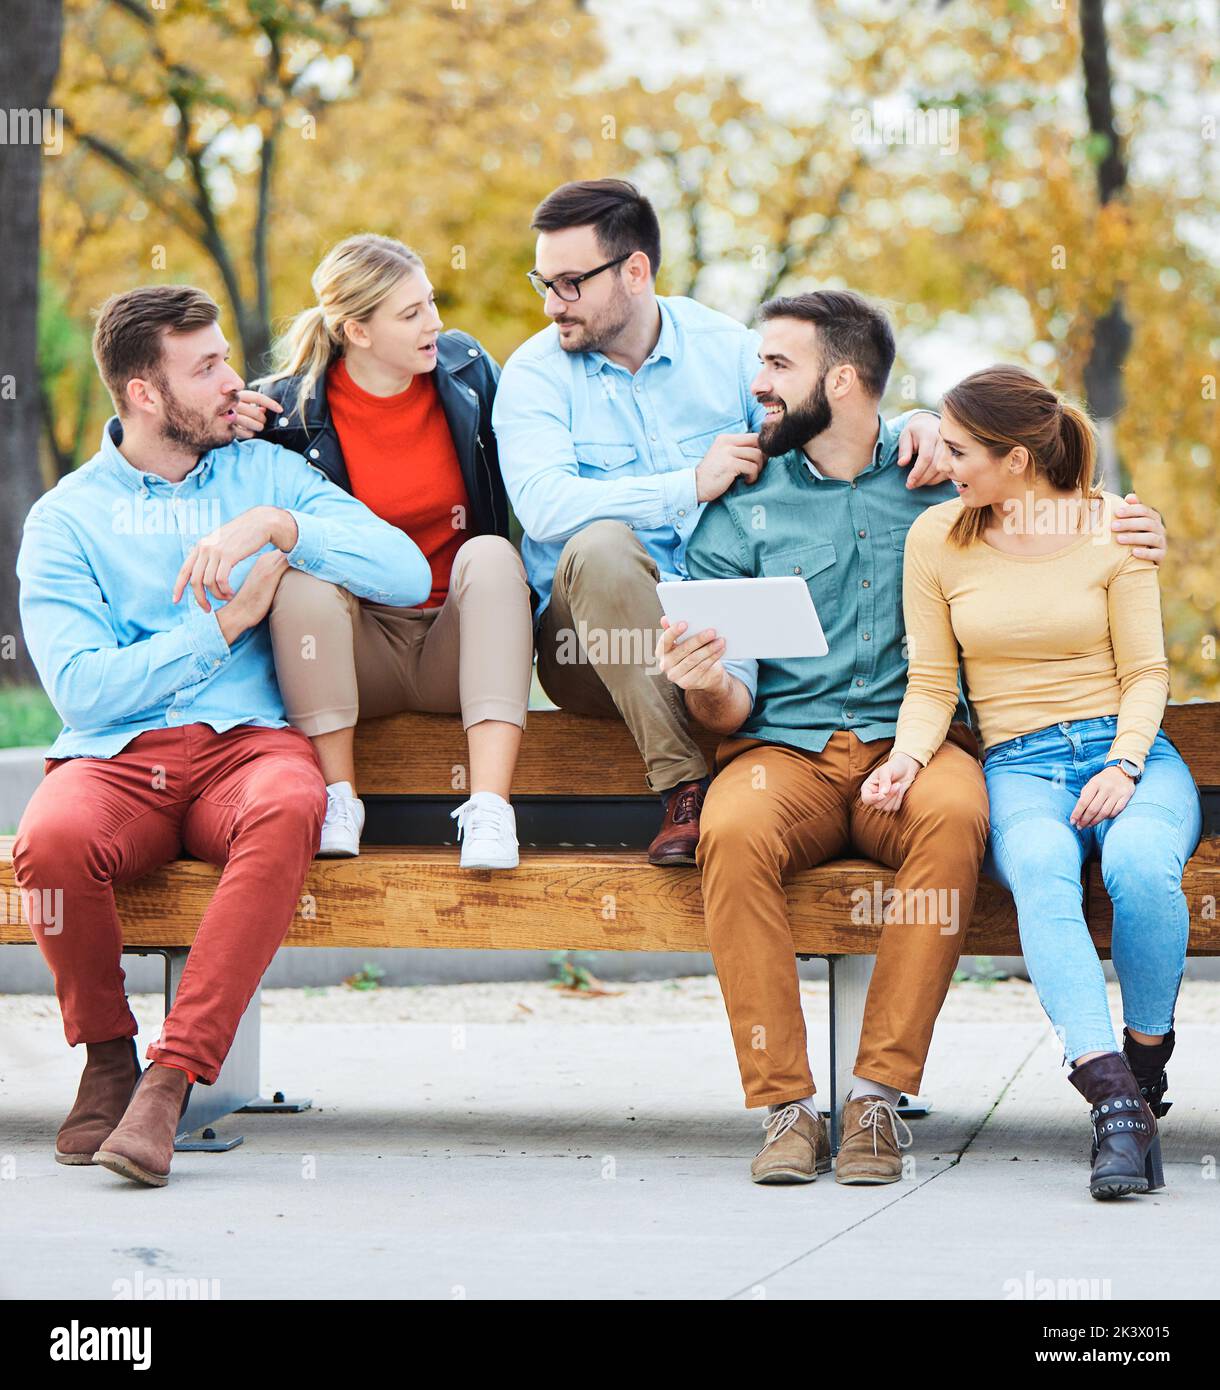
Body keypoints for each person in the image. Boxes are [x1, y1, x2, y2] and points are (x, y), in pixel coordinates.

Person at [659, 292, 1168, 1187]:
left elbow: (1049, 506)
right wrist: (704, 687)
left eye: (778, 365)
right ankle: (785, 1105)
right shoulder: (740, 510)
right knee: (730, 833)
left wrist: (1135, 525)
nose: (757, 385)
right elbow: (728, 711)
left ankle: (877, 1102)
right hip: (786, 753)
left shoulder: (941, 480)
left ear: (843, 379)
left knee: (956, 819)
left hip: (918, 748)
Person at [13, 285, 431, 1187]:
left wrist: (283, 525)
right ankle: (109, 1059)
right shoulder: (66, 519)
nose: (233, 382)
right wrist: (222, 626)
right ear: (144, 394)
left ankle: (172, 1077)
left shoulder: (262, 473)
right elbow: (83, 690)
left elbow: (401, 571)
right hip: (120, 756)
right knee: (46, 841)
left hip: (246, 745)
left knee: (291, 803)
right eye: (204, 368)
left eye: (225, 358)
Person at [493, 180, 945, 866]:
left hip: (726, 631)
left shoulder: (725, 349)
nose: (553, 304)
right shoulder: (534, 375)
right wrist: (685, 486)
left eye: (569, 283)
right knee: (601, 545)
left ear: (635, 271)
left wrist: (916, 422)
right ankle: (683, 787)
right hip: (596, 643)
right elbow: (544, 507)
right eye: (543, 282)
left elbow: (811, 413)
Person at [862, 365, 1201, 1200]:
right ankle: (1114, 1099)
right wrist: (907, 756)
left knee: (1139, 866)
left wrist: (1124, 763)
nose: (944, 462)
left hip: (1133, 754)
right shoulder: (936, 537)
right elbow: (934, 683)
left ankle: (1146, 1060)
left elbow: (1148, 671)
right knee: (1045, 871)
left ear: (1016, 459)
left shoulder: (1114, 529)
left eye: (959, 449)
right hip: (1019, 766)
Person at [234, 234, 533, 868]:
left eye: (431, 302)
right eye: (412, 313)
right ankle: (338, 798)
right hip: (351, 653)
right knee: (303, 574)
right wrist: (216, 429)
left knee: (491, 553)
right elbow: (173, 455)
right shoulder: (286, 409)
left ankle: (489, 810)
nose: (435, 324)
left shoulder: (469, 372)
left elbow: (546, 436)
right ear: (357, 332)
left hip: (458, 646)